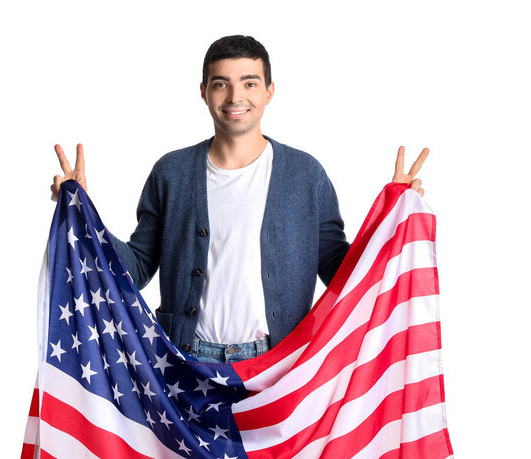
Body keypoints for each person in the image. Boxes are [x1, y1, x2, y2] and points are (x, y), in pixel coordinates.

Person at [50, 35, 428, 364]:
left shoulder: (305, 174)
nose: (235, 97)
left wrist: (390, 222)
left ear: (269, 91)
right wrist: (82, 212)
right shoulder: (172, 172)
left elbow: (338, 270)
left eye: (249, 83)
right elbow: (137, 267)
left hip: (277, 361)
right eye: (221, 84)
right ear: (204, 91)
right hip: (185, 359)